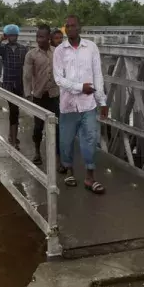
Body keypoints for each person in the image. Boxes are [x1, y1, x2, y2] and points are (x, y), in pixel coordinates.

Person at [53, 15, 107, 194]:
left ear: (79, 27)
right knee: (66, 140)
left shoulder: (91, 47)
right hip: (68, 105)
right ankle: (69, 170)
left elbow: (97, 74)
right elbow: (58, 78)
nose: (69, 29)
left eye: (73, 25)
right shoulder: (60, 51)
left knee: (90, 139)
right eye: (67, 26)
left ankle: (90, 177)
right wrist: (80, 87)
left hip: (88, 104)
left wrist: (102, 101)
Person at [23, 24, 64, 170]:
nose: (39, 39)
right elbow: (27, 76)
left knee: (58, 127)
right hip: (39, 96)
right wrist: (28, 95)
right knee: (38, 126)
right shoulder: (31, 55)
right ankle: (37, 152)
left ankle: (58, 160)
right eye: (37, 36)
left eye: (42, 36)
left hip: (54, 95)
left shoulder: (57, 52)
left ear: (48, 37)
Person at [0, 24, 28, 149]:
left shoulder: (23, 49)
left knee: (15, 110)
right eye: (10, 35)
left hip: (19, 83)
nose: (12, 37)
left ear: (17, 36)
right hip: (8, 83)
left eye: (14, 35)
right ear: (7, 36)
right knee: (14, 110)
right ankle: (13, 138)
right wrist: (1, 39)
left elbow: (27, 65)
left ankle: (12, 135)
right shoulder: (4, 49)